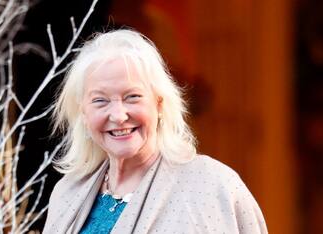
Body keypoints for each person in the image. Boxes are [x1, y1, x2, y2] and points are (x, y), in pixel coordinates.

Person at [43, 29, 267, 234]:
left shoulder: (213, 185)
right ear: (83, 113)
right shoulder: (67, 193)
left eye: (133, 97)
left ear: (159, 103)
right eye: (100, 101)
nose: (119, 115)